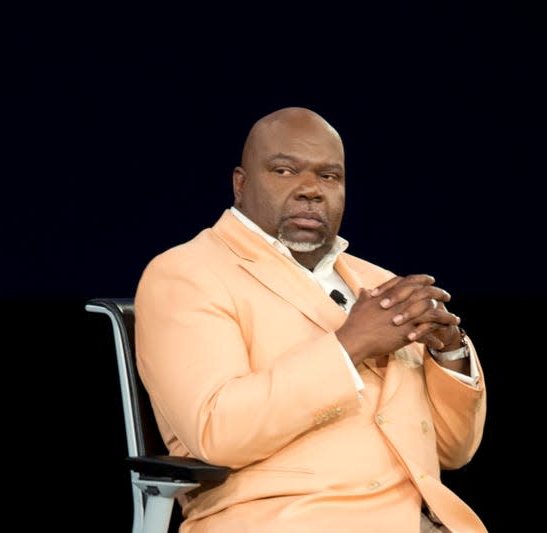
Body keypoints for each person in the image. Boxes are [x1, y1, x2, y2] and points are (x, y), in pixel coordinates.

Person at [133, 106, 487, 533]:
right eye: (285, 171)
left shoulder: (379, 284)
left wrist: (450, 354)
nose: (310, 190)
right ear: (240, 185)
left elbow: (452, 452)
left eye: (329, 176)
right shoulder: (187, 273)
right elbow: (216, 432)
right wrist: (350, 343)